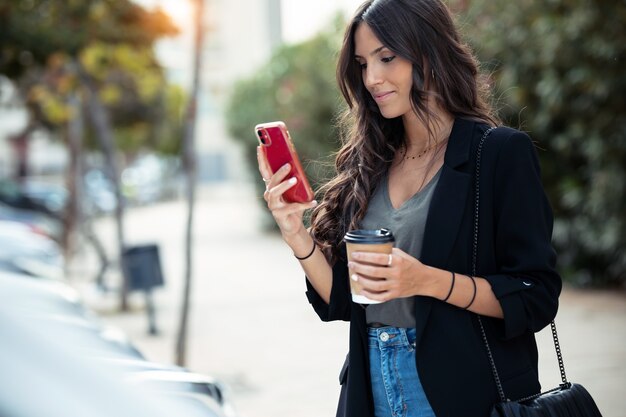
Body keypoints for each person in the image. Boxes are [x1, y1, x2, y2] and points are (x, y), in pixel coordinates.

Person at [256, 0, 561, 416]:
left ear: (430, 52)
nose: (372, 78)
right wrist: (296, 234)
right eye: (362, 64)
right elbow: (345, 302)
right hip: (372, 385)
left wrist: (425, 280)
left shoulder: (498, 153)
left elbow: (536, 295)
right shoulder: (371, 162)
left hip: (464, 389)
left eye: (386, 58)